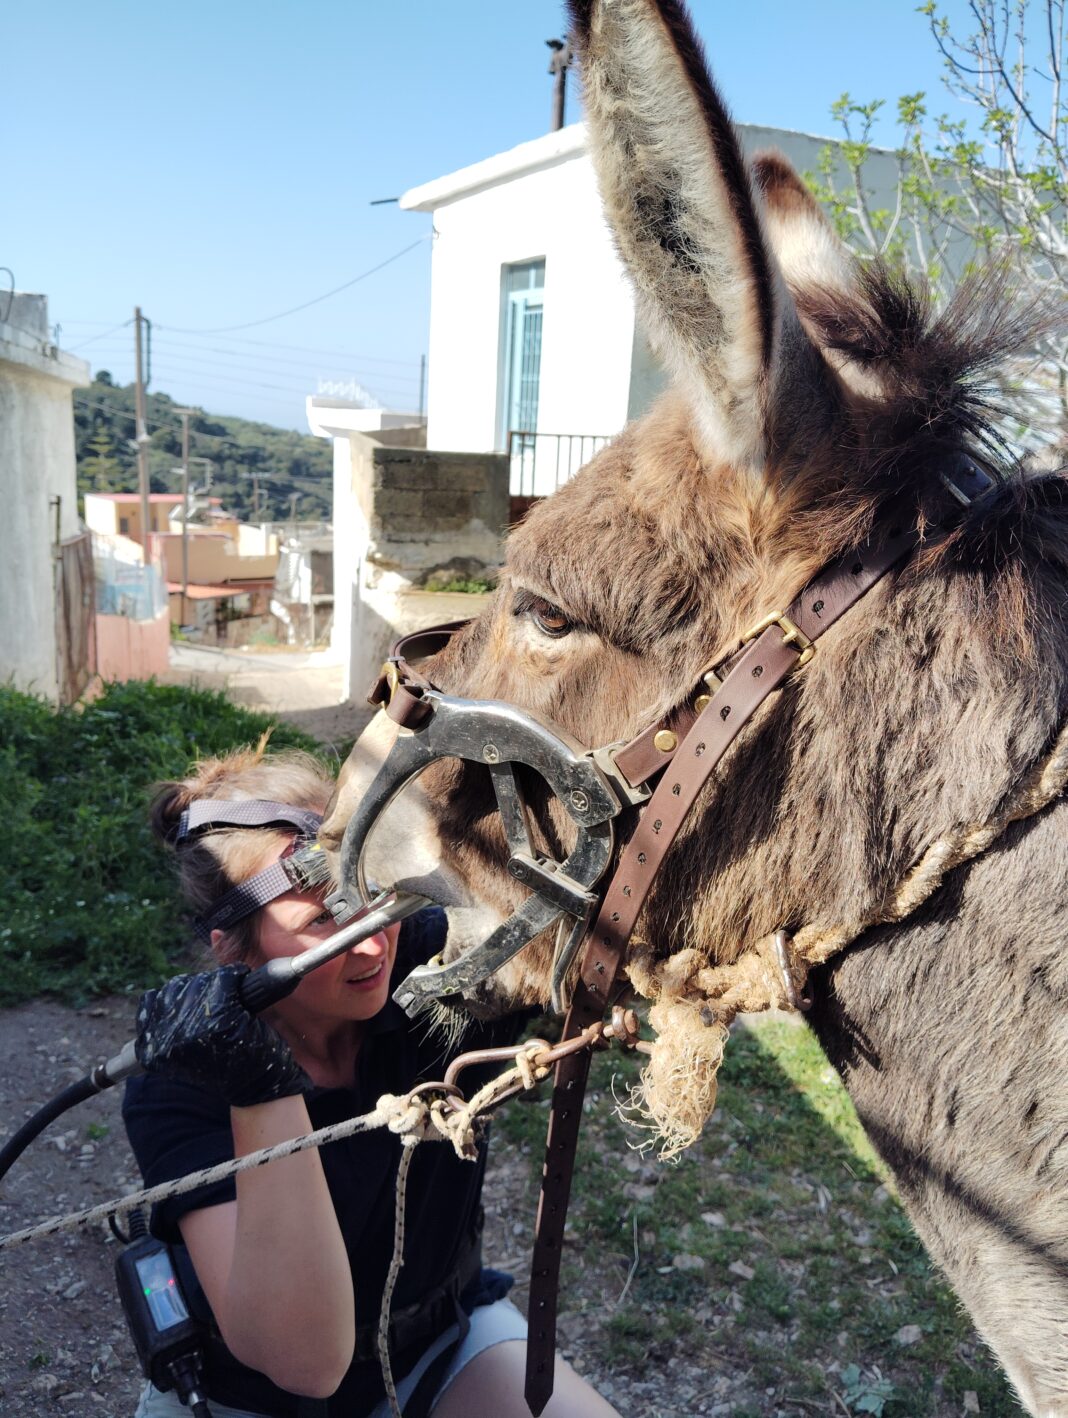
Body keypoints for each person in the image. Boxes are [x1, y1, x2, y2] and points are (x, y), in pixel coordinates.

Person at [122, 741, 619, 1418]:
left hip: (439, 1348)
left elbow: (603, 905)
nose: (369, 942)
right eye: (319, 919)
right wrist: (260, 1088)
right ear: (235, 952)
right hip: (250, 1402)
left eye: (371, 894)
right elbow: (304, 1363)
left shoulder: (435, 970)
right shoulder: (180, 1081)